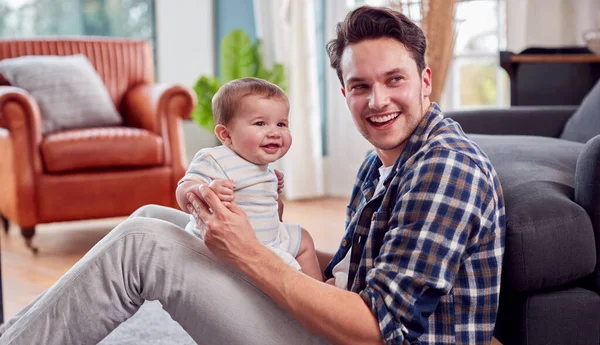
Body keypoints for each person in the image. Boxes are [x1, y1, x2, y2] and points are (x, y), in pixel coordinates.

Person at [0, 5, 505, 345]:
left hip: (355, 338)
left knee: (143, 244)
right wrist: (278, 237)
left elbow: (377, 329)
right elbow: (366, 274)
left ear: (424, 80)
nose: (377, 101)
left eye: (394, 80)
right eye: (359, 85)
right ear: (344, 91)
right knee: (155, 217)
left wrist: (248, 251)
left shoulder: (444, 169)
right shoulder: (388, 159)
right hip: (345, 311)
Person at [177, 77, 322, 280]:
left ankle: (319, 292)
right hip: (230, 250)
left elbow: (267, 208)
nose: (274, 132)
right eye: (260, 123)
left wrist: (273, 187)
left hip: (270, 243)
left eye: (281, 124)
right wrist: (207, 189)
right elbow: (184, 189)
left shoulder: (265, 169)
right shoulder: (216, 158)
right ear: (226, 135)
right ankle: (309, 297)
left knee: (303, 238)